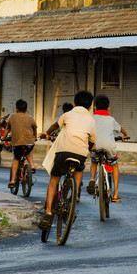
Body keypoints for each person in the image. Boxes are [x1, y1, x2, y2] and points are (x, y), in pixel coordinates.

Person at [37, 90, 96, 230]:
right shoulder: (91, 119)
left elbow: (55, 126)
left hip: (63, 151)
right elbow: (93, 141)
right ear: (89, 107)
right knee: (79, 170)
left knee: (54, 180)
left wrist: (46, 133)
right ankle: (74, 195)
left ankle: (48, 212)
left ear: (74, 104)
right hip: (80, 153)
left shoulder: (68, 114)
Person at [86, 94, 129, 203]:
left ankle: (92, 178)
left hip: (94, 145)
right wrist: (126, 135)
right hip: (109, 145)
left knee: (94, 161)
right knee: (114, 165)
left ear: (95, 107)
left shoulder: (90, 118)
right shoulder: (110, 119)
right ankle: (115, 194)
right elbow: (121, 129)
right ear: (108, 108)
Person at [2, 99, 38, 188]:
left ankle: (13, 180)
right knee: (28, 152)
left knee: (16, 159)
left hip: (17, 144)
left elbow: (7, 129)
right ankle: (32, 166)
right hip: (30, 143)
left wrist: (3, 138)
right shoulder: (30, 118)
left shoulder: (12, 117)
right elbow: (34, 128)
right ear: (26, 109)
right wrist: (35, 137)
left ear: (16, 109)